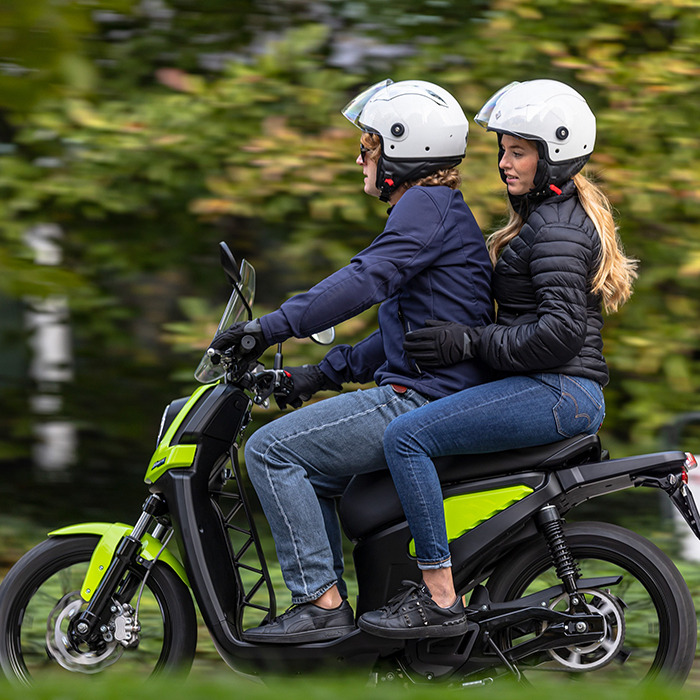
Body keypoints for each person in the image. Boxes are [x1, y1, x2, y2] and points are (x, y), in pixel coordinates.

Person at [208, 79, 494, 643]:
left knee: (270, 450)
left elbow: (366, 278)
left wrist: (268, 328)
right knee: (307, 467)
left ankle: (320, 606)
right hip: (429, 387)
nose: (359, 159)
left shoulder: (425, 207)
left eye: (368, 146)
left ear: (403, 149)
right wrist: (319, 374)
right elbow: (403, 336)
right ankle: (338, 616)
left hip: (423, 398)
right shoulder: (437, 210)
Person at [357, 79, 638, 639]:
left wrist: (470, 343)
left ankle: (439, 596)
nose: (504, 164)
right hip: (548, 386)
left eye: (519, 152)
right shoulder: (546, 220)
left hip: (558, 390)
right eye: (503, 151)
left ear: (554, 154)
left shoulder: (557, 230)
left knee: (407, 436)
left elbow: (559, 336)